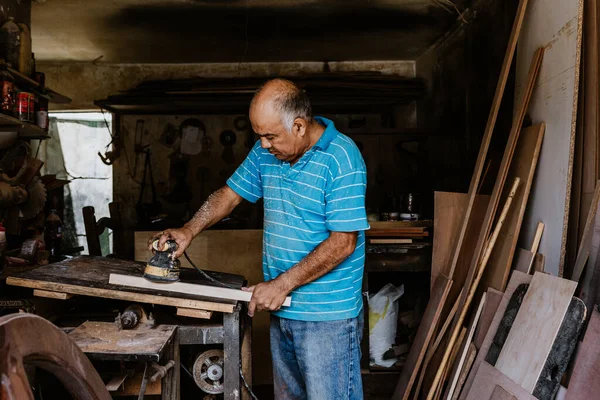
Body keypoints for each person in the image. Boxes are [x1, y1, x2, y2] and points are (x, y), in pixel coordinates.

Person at [149, 78, 369, 400]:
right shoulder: (267, 152)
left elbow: (343, 243)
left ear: (298, 126)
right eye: (260, 136)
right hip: (284, 310)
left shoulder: (341, 158)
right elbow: (230, 195)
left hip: (328, 319)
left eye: (270, 136)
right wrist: (188, 229)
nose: (263, 145)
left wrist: (281, 285)